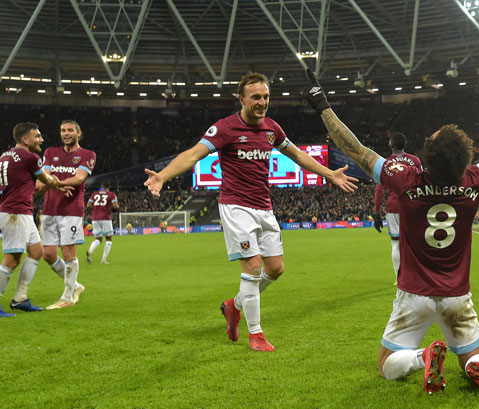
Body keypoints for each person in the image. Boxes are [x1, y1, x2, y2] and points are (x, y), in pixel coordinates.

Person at [302, 65, 479, 397]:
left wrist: (323, 107)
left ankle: (422, 356)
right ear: (464, 159)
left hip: (414, 294)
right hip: (457, 295)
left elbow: (356, 148)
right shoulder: (475, 181)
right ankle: (478, 368)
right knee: (475, 354)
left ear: (428, 155)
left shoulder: (405, 181)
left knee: (387, 365)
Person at [144, 72, 357, 352]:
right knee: (253, 267)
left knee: (276, 269)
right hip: (235, 206)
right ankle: (255, 334)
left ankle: (233, 305)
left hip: (264, 207)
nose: (262, 102)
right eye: (256, 97)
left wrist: (329, 173)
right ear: (241, 99)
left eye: (266, 97)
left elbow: (297, 155)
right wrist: (162, 176)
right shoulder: (225, 128)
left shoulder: (272, 129)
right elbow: (194, 154)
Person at [0, 123, 69, 317]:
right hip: (16, 212)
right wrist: (58, 182)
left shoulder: (5, 155)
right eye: (37, 136)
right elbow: (45, 182)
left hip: (18, 211)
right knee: (12, 259)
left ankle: (20, 299)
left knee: (37, 251)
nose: (41, 139)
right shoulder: (30, 157)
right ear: (25, 139)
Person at [37, 120, 96, 310]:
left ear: (79, 133)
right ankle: (76, 285)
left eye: (70, 130)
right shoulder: (50, 153)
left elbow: (79, 179)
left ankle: (68, 296)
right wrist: (59, 184)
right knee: (48, 254)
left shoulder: (87, 155)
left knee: (69, 252)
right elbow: (42, 179)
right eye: (63, 130)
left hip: (71, 211)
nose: (66, 133)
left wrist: (53, 182)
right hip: (49, 209)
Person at [372, 132, 422, 283]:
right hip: (413, 206)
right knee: (415, 243)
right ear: (404, 145)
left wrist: (376, 212)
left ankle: (399, 278)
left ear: (391, 145)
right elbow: (423, 182)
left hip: (394, 207)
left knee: (396, 243)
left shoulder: (385, 163)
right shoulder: (415, 160)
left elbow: (380, 190)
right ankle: (417, 276)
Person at [86, 181, 119, 265]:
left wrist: (97, 208)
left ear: (101, 186)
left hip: (95, 218)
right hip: (105, 218)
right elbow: (115, 206)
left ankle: (90, 251)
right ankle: (103, 260)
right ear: (109, 187)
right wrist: (116, 208)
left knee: (98, 239)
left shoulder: (94, 194)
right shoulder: (111, 194)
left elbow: (88, 205)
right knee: (108, 238)